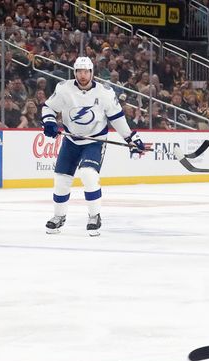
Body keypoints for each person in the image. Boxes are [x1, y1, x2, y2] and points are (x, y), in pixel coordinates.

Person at [41, 56, 146, 236]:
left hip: (95, 141)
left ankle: (94, 216)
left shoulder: (105, 93)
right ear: (75, 72)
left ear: (92, 73)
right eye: (79, 71)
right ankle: (59, 216)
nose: (82, 75)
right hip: (71, 140)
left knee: (88, 174)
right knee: (61, 179)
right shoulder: (64, 89)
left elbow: (117, 118)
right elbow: (48, 107)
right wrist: (49, 122)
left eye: (86, 71)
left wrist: (130, 138)